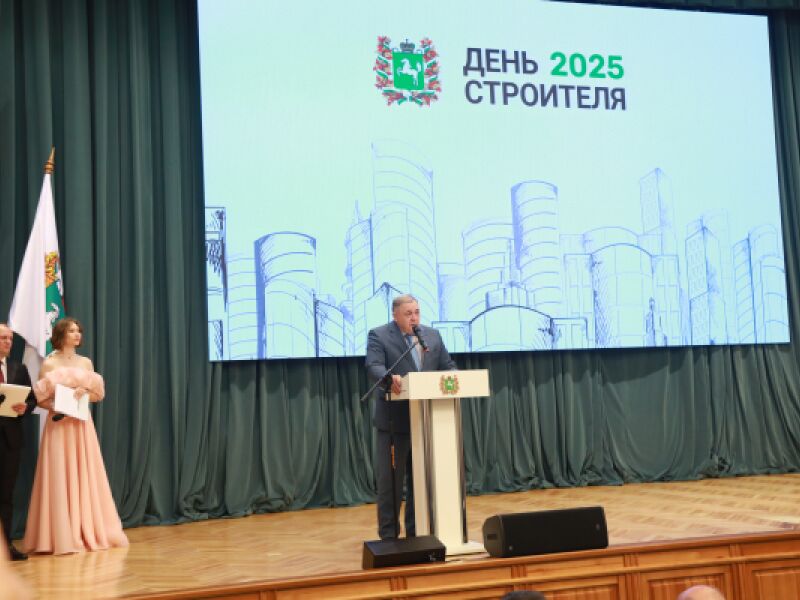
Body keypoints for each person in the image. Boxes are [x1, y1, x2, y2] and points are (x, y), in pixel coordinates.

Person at [22, 317, 128, 555]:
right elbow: (40, 399)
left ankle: (85, 529)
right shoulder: (50, 363)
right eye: (72, 331)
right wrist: (60, 404)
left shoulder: (85, 362)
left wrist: (83, 392)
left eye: (78, 330)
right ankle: (59, 535)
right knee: (59, 474)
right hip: (59, 425)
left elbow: (97, 395)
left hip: (81, 425)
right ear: (61, 334)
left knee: (84, 473)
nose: (77, 334)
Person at [365, 294, 457, 540]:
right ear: (395, 315)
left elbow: (448, 366)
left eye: (416, 312)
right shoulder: (379, 335)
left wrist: (456, 377)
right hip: (394, 423)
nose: (414, 318)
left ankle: (417, 534)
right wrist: (388, 377)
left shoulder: (432, 336)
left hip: (426, 421)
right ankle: (389, 537)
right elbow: (373, 366)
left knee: (421, 483)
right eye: (408, 314)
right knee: (391, 484)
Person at [0, 323, 37, 560]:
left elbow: (32, 400)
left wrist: (25, 407)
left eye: (10, 338)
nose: (7, 342)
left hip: (10, 442)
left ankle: (6, 546)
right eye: (3, 338)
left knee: (6, 495)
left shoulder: (18, 368)